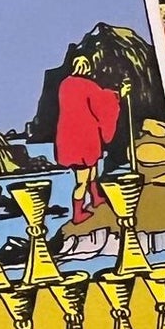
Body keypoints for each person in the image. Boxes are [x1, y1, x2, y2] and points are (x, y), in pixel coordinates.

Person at [54, 54, 127, 224]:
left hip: (71, 137)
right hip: (83, 138)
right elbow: (103, 101)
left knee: (92, 169)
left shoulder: (65, 84)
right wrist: (119, 94)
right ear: (87, 67)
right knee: (82, 180)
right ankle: (77, 214)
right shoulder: (88, 85)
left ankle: (95, 197)